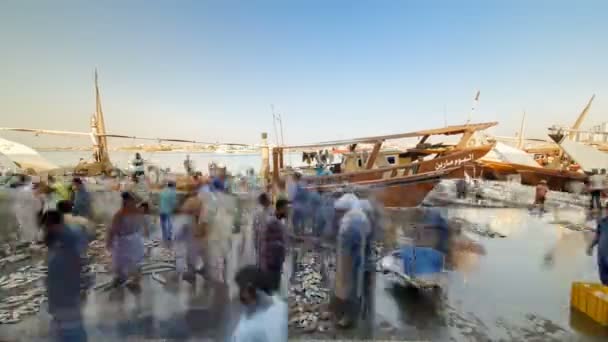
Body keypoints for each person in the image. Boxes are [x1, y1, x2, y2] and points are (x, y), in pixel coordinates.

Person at [41, 210, 88, 342]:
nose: (45, 230)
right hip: (62, 302)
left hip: (66, 301)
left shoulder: (68, 241)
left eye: (46, 227)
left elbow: (77, 265)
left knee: (71, 331)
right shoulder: (61, 239)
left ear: (54, 225)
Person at [333, 193, 369, 328]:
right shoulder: (358, 217)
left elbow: (347, 245)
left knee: (351, 288)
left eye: (341, 211)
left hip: (350, 261)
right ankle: (354, 313)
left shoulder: (352, 222)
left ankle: (349, 318)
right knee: (354, 287)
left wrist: (344, 263)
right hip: (354, 259)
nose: (338, 213)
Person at [231, 265, 288, 342]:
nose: (240, 295)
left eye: (241, 289)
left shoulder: (277, 314)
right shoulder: (250, 311)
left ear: (251, 288)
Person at [106, 192, 145, 288]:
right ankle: (130, 280)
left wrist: (109, 243)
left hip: (125, 242)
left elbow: (112, 231)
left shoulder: (120, 214)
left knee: (123, 262)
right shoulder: (137, 212)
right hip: (134, 240)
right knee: (133, 262)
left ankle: (125, 279)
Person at [259, 199, 288, 294]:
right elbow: (266, 240)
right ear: (280, 208)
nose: (287, 211)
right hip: (272, 259)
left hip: (276, 259)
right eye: (286, 209)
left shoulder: (279, 221)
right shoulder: (272, 221)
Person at [251, 193, 273, 266]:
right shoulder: (263, 212)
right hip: (264, 239)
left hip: (263, 239)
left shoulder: (260, 212)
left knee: (262, 258)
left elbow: (255, 227)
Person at [587, 214, 608, 285]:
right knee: (603, 278)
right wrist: (591, 246)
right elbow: (598, 235)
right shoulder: (602, 222)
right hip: (602, 256)